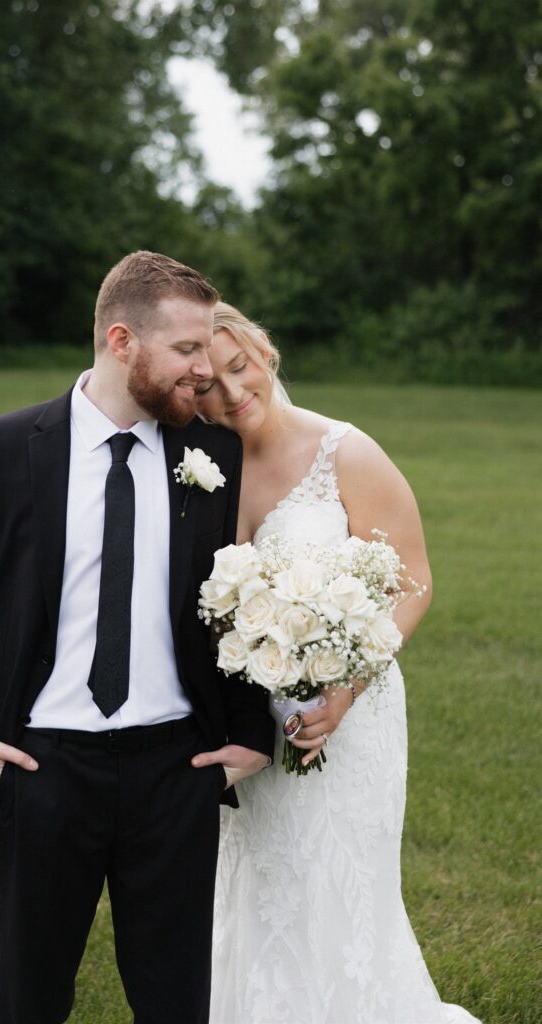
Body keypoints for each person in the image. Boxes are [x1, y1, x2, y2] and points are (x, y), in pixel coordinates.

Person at [0, 254, 275, 1024]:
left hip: (178, 769)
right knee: (32, 999)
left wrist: (249, 737)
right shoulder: (1, 448)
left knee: (177, 1003)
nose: (204, 370)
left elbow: (235, 605)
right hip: (43, 769)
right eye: (186, 350)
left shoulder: (211, 455)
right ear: (121, 341)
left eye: (207, 348)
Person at [194, 302, 481, 1024]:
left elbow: (412, 582)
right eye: (208, 384)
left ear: (266, 351)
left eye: (241, 366)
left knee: (335, 884)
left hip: (350, 717)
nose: (231, 393)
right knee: (261, 881)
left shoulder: (345, 452)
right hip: (249, 727)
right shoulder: (200, 468)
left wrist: (345, 688)